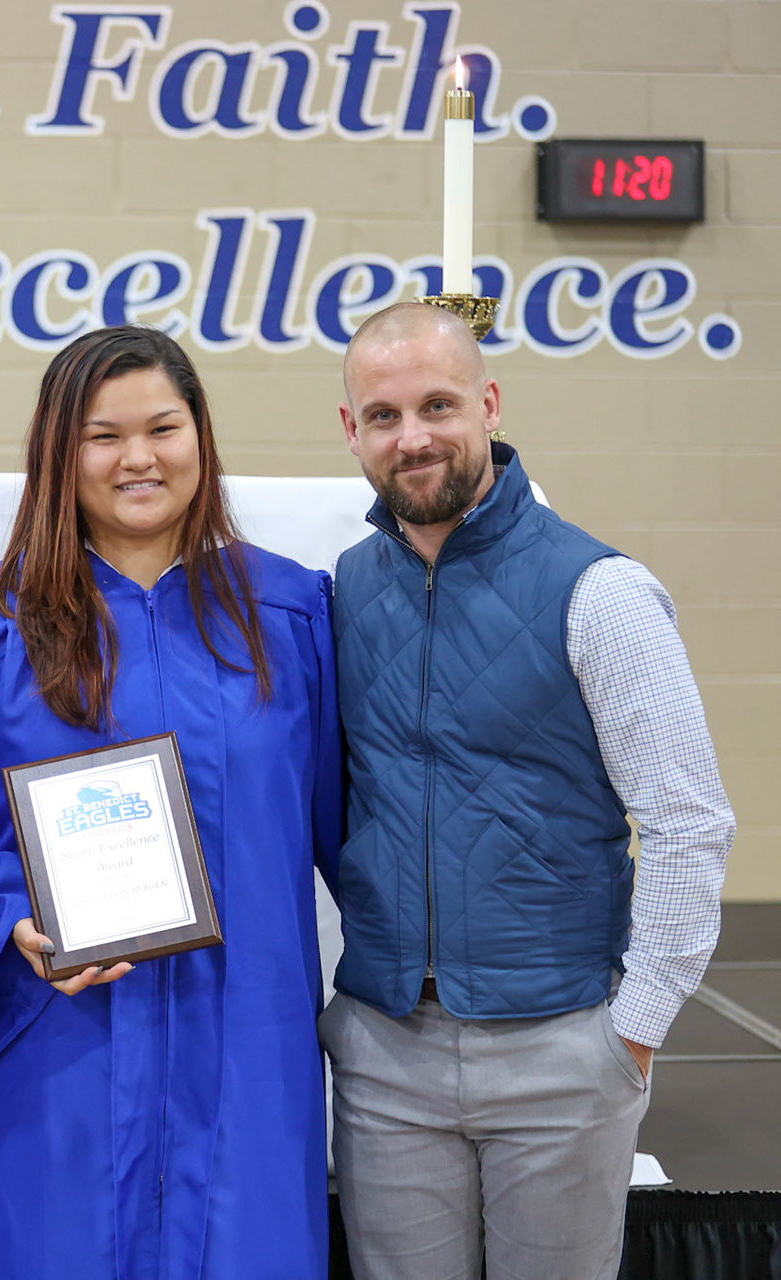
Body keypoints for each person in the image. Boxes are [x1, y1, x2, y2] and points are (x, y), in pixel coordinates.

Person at [0, 326, 341, 1279]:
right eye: (102, 435)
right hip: (49, 1053)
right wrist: (6, 917)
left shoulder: (291, 616)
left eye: (163, 427)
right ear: (58, 452)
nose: (138, 458)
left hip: (242, 1049)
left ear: (200, 438)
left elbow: (352, 827)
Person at [324, 301, 735, 1279]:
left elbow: (688, 821)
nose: (412, 436)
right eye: (383, 415)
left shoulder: (602, 592)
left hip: (562, 1049)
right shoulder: (343, 589)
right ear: (352, 431)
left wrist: (634, 1030)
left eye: (437, 404)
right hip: (387, 1056)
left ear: (490, 404)